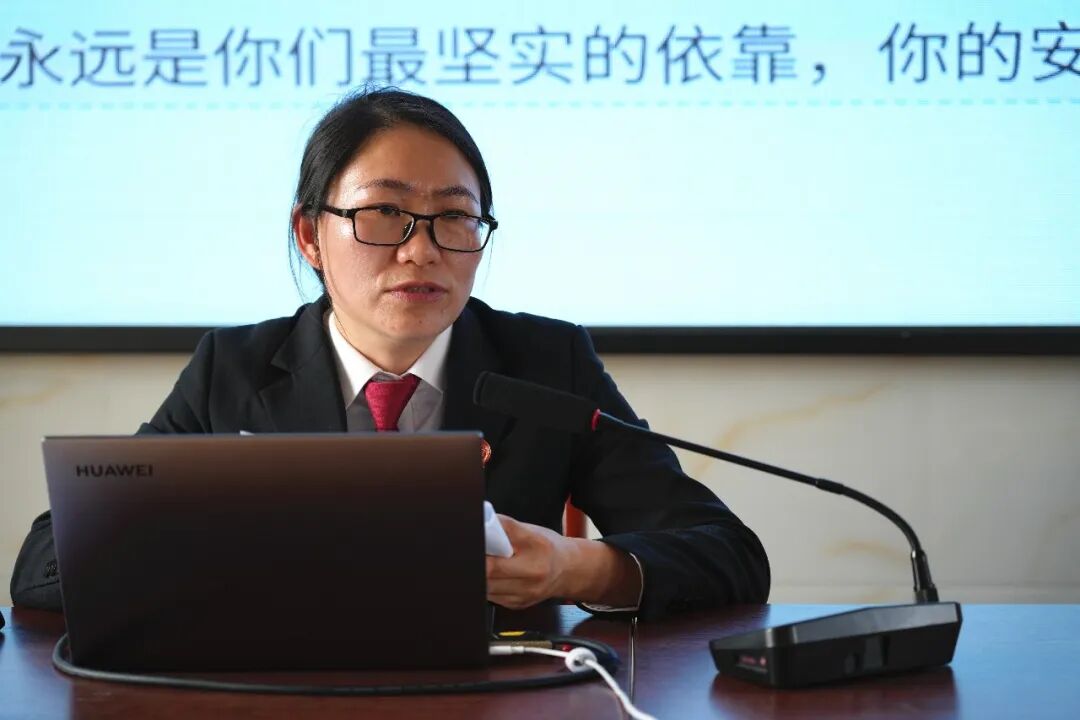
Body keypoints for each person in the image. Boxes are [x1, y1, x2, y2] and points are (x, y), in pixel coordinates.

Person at [11, 88, 769, 619]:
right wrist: (216, 545)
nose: (421, 250)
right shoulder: (234, 369)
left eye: (454, 218)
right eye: (384, 213)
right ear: (310, 235)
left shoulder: (545, 362)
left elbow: (730, 556)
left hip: (498, 698)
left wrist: (574, 567)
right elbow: (46, 564)